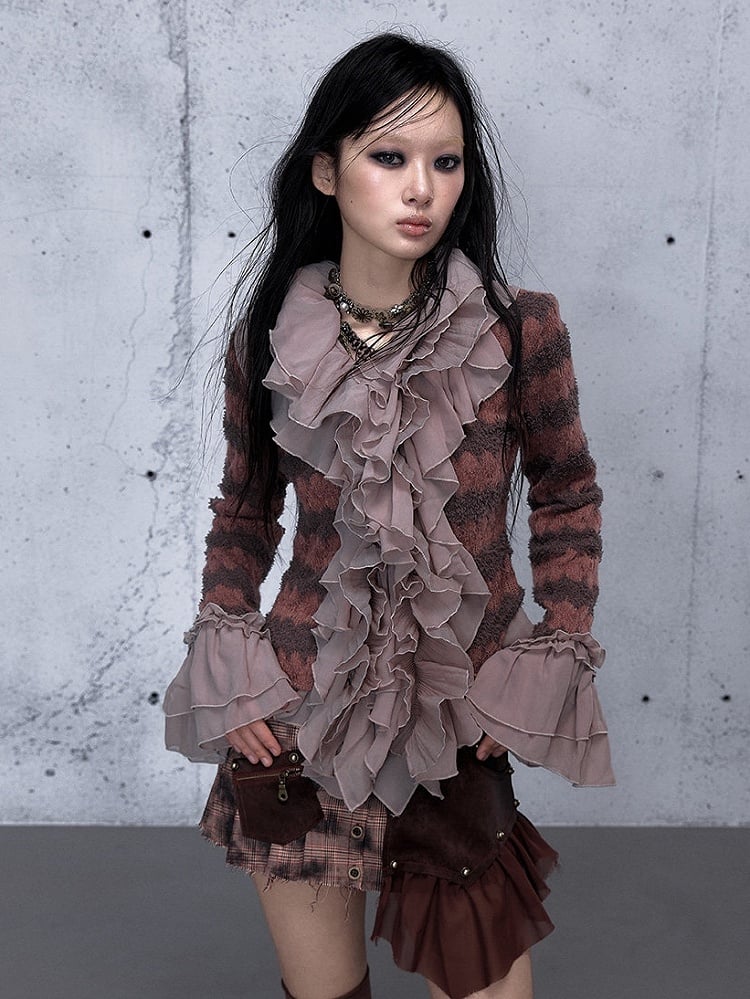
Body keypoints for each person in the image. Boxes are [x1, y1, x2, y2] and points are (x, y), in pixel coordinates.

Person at [163, 32, 614, 999]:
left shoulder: (518, 328)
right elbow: (243, 513)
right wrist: (231, 658)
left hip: (459, 721)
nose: (421, 189)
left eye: (446, 162)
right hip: (298, 717)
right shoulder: (270, 341)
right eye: (389, 156)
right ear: (327, 170)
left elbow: (569, 496)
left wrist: (550, 649)